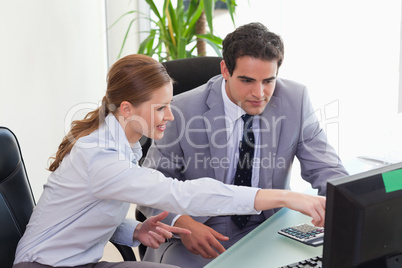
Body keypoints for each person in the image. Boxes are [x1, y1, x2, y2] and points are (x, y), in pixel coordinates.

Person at [13, 54, 326, 268]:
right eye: (161, 107)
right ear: (126, 109)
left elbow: (82, 216)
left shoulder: (123, 145)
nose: (170, 115)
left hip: (83, 261)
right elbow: (183, 194)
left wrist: (134, 232)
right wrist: (286, 196)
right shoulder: (101, 157)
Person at [138, 22, 349, 267]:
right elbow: (148, 184)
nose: (259, 93)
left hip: (269, 227)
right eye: (247, 81)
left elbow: (326, 168)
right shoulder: (182, 109)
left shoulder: (296, 100)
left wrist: (344, 208)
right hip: (201, 232)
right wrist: (182, 223)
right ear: (225, 70)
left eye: (268, 81)